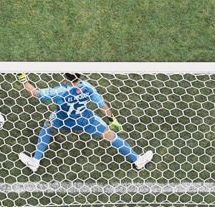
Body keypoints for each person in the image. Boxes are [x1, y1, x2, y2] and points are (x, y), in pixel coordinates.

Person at [17, 73, 153, 173]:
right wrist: (112, 119)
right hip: (86, 121)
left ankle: (35, 161)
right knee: (110, 135)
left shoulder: (59, 91)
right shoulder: (88, 87)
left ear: (65, 75)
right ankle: (138, 161)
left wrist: (23, 78)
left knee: (47, 127)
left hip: (62, 120)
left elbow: (34, 92)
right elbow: (102, 106)